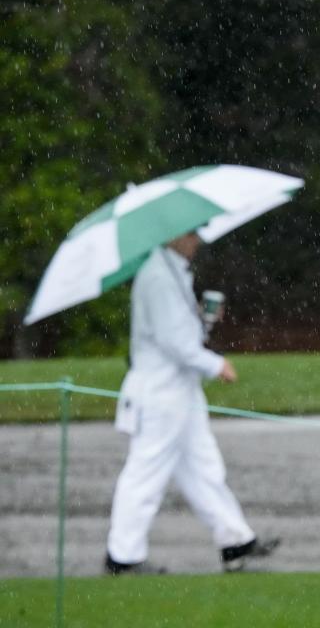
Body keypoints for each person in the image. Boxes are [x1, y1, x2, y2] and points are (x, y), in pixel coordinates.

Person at [105, 232, 278, 574]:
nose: (198, 238)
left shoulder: (170, 272)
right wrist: (215, 364)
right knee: (145, 473)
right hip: (161, 394)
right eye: (192, 232)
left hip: (179, 392)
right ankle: (122, 556)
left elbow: (178, 331)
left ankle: (235, 540)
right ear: (173, 235)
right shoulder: (157, 276)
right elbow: (175, 342)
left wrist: (200, 318)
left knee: (202, 467)